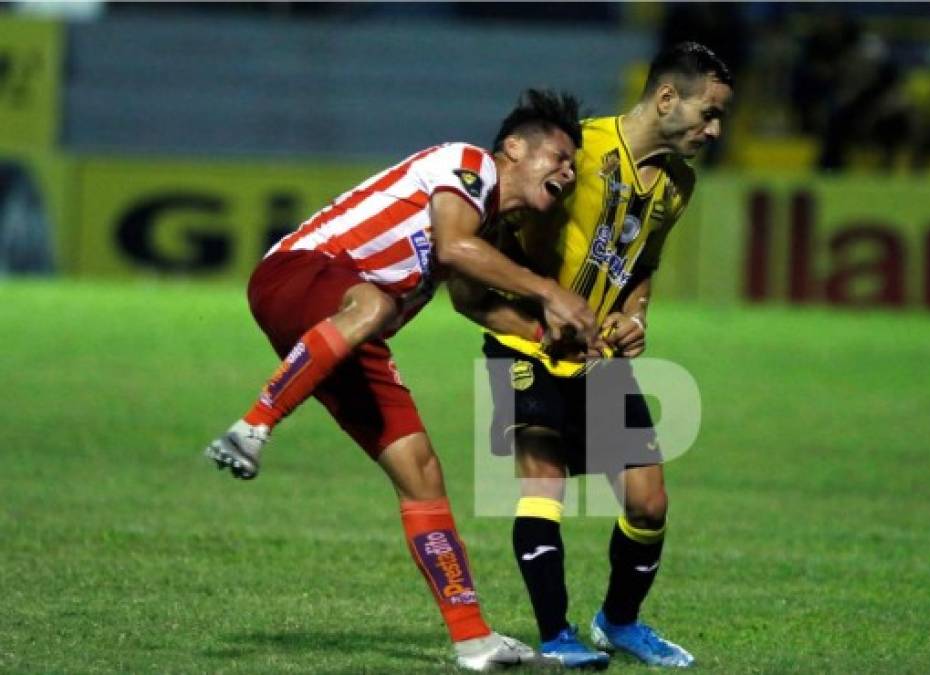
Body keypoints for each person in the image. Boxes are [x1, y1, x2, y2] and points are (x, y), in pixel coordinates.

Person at [203, 89, 597, 672]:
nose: (567, 172)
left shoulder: (486, 226)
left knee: (421, 471)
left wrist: (549, 339)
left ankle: (473, 640)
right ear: (514, 147)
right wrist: (550, 291)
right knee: (375, 306)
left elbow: (473, 302)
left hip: (346, 331)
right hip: (299, 273)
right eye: (560, 157)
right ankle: (252, 426)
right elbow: (454, 249)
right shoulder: (468, 166)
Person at [450, 42, 733, 668]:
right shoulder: (578, 149)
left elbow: (641, 267)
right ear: (666, 98)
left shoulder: (678, 185)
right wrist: (526, 314)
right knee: (542, 483)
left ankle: (620, 622)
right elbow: (494, 234)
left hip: (601, 357)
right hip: (526, 345)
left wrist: (634, 319)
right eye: (709, 113)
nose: (714, 130)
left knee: (648, 501)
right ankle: (556, 635)